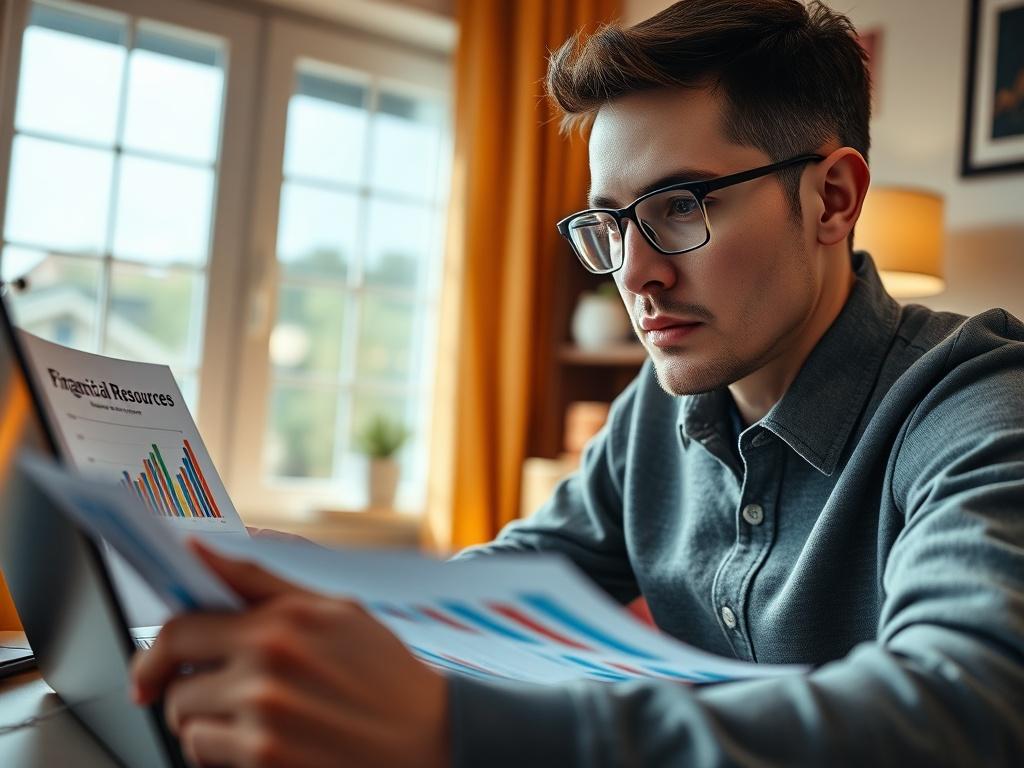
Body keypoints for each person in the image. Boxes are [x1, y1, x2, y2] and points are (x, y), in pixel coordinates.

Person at [132, 0, 1024, 765]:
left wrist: (458, 729)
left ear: (832, 199)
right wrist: (347, 592)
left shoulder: (979, 403)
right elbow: (525, 573)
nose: (633, 275)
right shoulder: (660, 408)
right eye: (608, 223)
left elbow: (962, 707)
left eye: (679, 206)